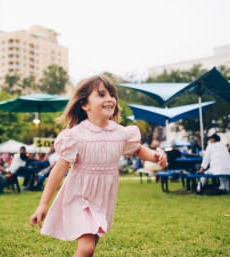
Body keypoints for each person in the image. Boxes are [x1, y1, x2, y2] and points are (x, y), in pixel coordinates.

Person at [29, 75, 168, 257]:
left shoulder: (120, 133)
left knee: (90, 246)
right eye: (101, 94)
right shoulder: (75, 135)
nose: (110, 98)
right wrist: (43, 204)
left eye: (111, 94)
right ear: (85, 105)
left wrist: (155, 156)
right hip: (79, 195)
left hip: (103, 197)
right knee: (87, 248)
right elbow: (59, 169)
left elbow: (137, 149)